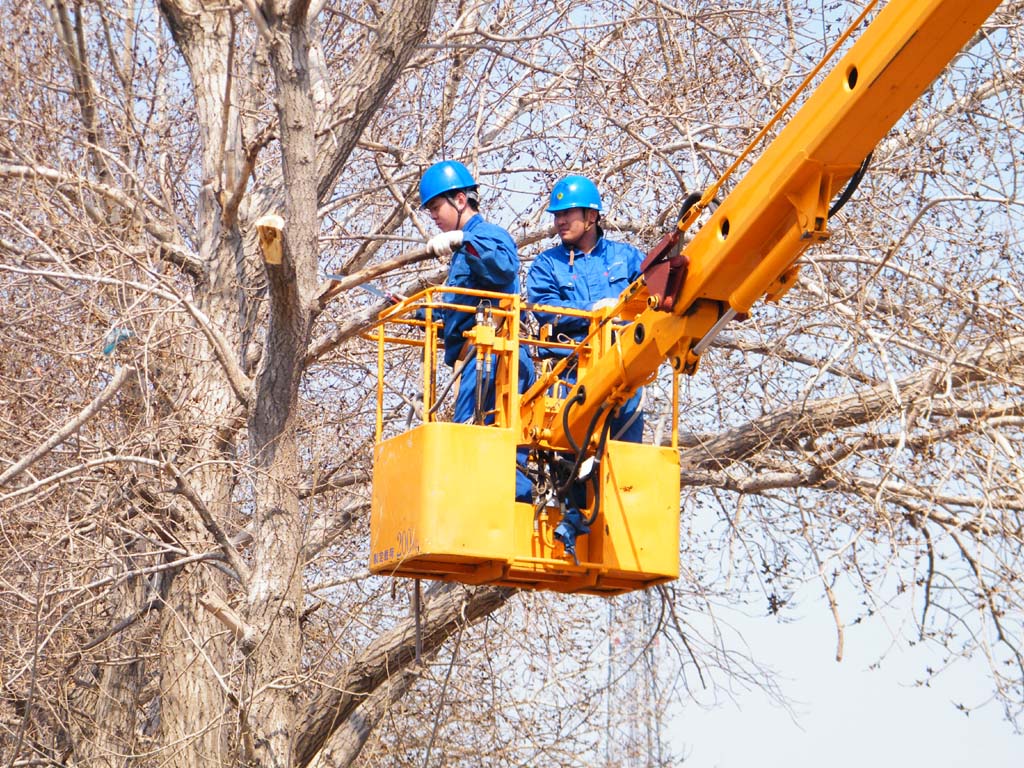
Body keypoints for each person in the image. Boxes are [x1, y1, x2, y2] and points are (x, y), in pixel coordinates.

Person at [419, 159, 533, 502]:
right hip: (474, 359)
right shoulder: (461, 256)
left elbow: (503, 268)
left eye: (436, 207)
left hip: (495, 356)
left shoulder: (488, 237)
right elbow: (458, 315)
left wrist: (464, 240)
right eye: (429, 211)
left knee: (489, 442)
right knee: (470, 441)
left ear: (460, 200)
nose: (434, 217)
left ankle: (512, 507)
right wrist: (426, 313)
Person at [526, 174, 645, 443]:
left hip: (623, 377)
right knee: (569, 464)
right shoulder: (547, 265)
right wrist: (593, 309)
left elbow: (658, 289)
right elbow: (545, 308)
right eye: (557, 215)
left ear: (591, 216)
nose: (560, 222)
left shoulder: (624, 257)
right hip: (568, 377)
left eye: (567, 213)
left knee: (624, 463)